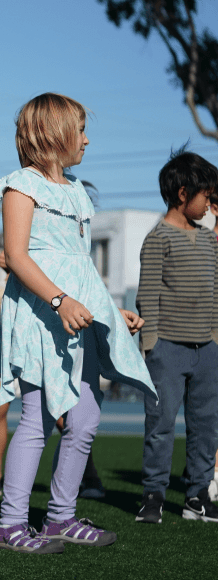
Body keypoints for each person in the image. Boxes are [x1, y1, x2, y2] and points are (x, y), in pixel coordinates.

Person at [0, 93, 155, 554]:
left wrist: (106, 310)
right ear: (53, 133)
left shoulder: (78, 190)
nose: (86, 140)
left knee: (84, 418)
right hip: (43, 319)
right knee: (38, 418)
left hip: (77, 321)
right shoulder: (21, 186)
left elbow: (80, 264)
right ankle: (10, 524)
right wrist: (60, 300)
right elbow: (18, 257)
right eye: (80, 130)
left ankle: (61, 517)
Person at [0, 248, 105, 500]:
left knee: (63, 416)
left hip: (50, 332)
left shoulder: (61, 235)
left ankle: (89, 476)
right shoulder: (21, 228)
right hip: (21, 332)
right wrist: (12, 264)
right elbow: (18, 275)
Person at [135, 147, 218, 524]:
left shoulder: (208, 240)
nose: (210, 203)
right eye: (206, 196)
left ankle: (197, 496)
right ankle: (153, 496)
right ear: (183, 194)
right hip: (166, 349)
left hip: (208, 351)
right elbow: (147, 294)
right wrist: (150, 345)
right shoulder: (158, 239)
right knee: (161, 425)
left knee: (206, 425)